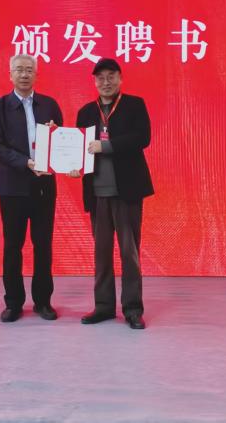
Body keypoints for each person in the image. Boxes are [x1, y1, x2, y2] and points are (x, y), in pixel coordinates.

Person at [70, 57, 153, 329]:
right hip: (97, 193)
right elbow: (79, 148)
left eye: (111, 76)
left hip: (127, 192)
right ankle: (104, 306)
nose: (105, 82)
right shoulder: (86, 112)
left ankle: (132, 309)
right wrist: (74, 166)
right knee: (101, 253)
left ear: (120, 78)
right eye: (100, 78)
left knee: (130, 252)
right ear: (94, 81)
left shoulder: (134, 105)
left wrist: (105, 147)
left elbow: (142, 138)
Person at [0, 54, 63, 323]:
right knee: (12, 246)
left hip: (43, 186)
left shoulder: (49, 105)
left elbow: (61, 141)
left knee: (43, 245)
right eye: (19, 70)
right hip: (12, 187)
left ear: (36, 75)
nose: (24, 74)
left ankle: (43, 302)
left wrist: (57, 134)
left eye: (29, 70)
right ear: (10, 74)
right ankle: (13, 303)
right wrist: (26, 163)